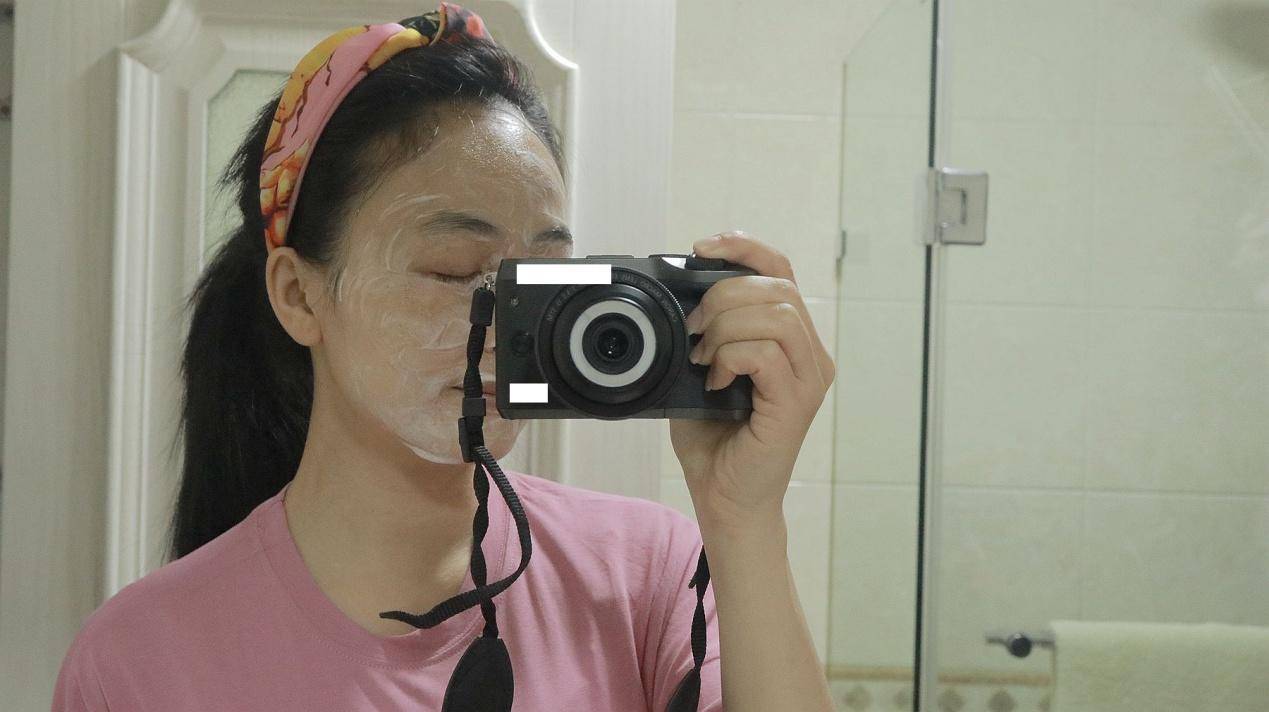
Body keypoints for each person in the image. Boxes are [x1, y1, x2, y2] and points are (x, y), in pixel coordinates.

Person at [52, 4, 835, 711]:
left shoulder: (647, 579)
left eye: (543, 278)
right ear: (299, 295)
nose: (510, 324)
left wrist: (743, 519)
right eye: (454, 270)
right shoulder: (138, 661)